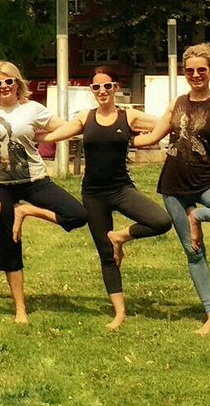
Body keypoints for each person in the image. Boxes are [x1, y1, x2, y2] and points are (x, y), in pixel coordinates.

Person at [28, 67, 170, 330]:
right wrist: (22, 133)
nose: (102, 92)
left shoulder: (130, 116)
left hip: (122, 189)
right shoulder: (85, 117)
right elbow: (54, 135)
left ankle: (120, 237)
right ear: (92, 91)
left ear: (115, 87)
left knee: (161, 220)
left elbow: (166, 123)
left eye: (107, 86)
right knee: (106, 255)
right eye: (96, 88)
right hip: (93, 194)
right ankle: (119, 313)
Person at [133, 42, 210, 335]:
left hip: (208, 183)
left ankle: (198, 217)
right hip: (173, 186)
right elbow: (151, 137)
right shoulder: (177, 103)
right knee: (193, 251)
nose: (195, 75)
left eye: (201, 70)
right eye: (190, 71)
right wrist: (114, 135)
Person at [0, 60, 87, 324]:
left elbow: (66, 126)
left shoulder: (32, 109)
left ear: (18, 83)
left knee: (77, 214)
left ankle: (27, 210)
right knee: (10, 244)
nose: (4, 86)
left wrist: (45, 138)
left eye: (9, 81)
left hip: (34, 180)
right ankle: (20, 307)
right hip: (0, 185)